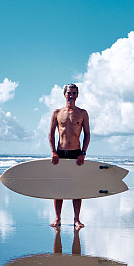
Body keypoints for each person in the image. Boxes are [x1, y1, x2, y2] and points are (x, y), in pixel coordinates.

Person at [48, 83, 90, 228]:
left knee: (76, 187)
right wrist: (53, 152)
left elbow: (87, 134)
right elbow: (51, 134)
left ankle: (76, 219)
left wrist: (83, 152)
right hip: (60, 153)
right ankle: (57, 218)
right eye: (68, 93)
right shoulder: (57, 113)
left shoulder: (83, 113)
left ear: (77, 95)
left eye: (73, 93)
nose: (71, 96)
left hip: (76, 153)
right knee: (58, 186)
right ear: (64, 94)